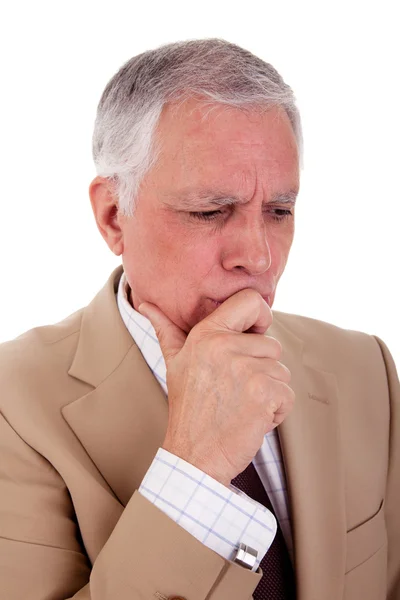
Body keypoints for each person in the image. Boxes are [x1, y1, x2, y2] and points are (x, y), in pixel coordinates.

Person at [0, 38, 399, 600]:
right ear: (114, 217)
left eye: (279, 211)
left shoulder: (367, 368)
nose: (259, 256)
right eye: (210, 212)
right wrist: (197, 466)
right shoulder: (12, 405)